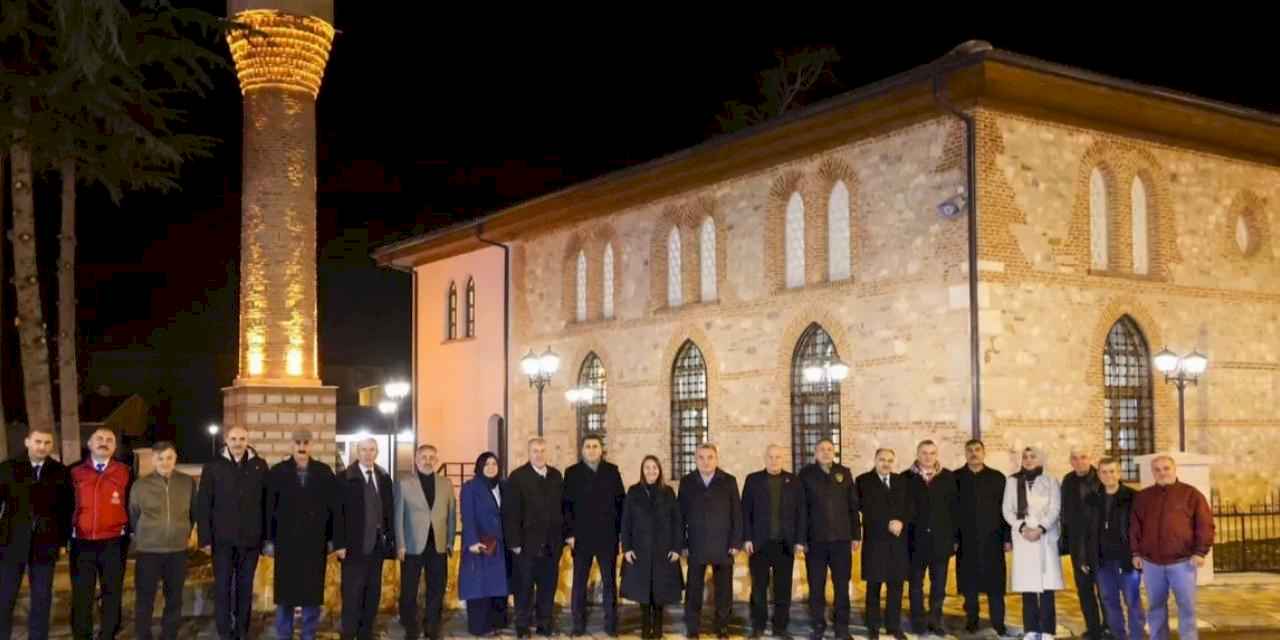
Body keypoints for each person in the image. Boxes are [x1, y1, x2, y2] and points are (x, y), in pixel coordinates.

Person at [196, 425, 270, 640]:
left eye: (242, 438)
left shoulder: (259, 465)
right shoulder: (213, 466)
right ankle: (224, 632)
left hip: (251, 541)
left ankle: (242, 631)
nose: (238, 443)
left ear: (248, 440)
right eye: (234, 438)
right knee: (222, 588)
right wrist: (205, 538)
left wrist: (266, 538)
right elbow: (204, 504)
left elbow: (266, 504)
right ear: (226, 440)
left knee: (245, 589)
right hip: (222, 541)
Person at [1130, 454, 1214, 640]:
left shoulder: (1191, 494)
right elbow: (1135, 526)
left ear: (1175, 469)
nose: (1162, 473)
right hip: (1152, 563)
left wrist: (1200, 551)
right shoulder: (1144, 497)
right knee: (1155, 607)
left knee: (1186, 607)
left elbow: (1205, 524)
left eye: (1166, 468)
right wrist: (1136, 552)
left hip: (1183, 563)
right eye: (1157, 469)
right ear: (1153, 472)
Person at [0, 426, 72, 640]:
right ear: (27, 442)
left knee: (42, 597)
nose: (42, 447)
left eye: (47, 443)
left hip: (45, 544)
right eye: (38, 441)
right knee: (5, 596)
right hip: (10, 543)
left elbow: (66, 510)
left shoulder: (60, 471)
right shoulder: (7, 468)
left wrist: (62, 541)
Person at [266, 430, 337, 640]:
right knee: (285, 597)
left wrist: (332, 538)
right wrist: (269, 540)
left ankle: (308, 635)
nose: (301, 446)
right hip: (286, 543)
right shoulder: (277, 472)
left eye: (305, 442)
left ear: (311, 445)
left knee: (311, 596)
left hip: (315, 543)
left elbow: (333, 508)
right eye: (297, 442)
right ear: (291, 445)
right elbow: (269, 507)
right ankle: (284, 635)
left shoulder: (324, 472)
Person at [70, 427, 132, 640]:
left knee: (112, 592)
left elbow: (132, 505)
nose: (104, 442)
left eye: (109, 440)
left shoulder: (126, 472)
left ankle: (108, 633)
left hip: (114, 543)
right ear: (89, 444)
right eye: (99, 438)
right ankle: (82, 634)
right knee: (81, 594)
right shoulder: (74, 472)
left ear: (115, 447)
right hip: (82, 543)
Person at [130, 442, 196, 640]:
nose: (165, 462)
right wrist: (146, 534)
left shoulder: (187, 482)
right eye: (160, 458)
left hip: (177, 550)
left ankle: (169, 635)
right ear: (153, 460)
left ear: (175, 458)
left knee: (174, 598)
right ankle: (143, 635)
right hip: (149, 551)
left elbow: (193, 513)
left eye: (169, 457)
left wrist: (183, 532)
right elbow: (134, 514)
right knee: (145, 599)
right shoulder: (140, 484)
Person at [562, 435, 626, 636]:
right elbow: (566, 507)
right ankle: (578, 626)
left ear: (601, 450)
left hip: (607, 537)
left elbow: (621, 503)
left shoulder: (612, 471)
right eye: (587, 446)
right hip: (581, 538)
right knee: (579, 584)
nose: (591, 450)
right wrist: (569, 533)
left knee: (609, 583)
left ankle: (611, 625)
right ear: (582, 450)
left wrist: (621, 534)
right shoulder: (571, 473)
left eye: (595, 446)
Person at [678, 443, 742, 639]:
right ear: (696, 459)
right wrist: (682, 544)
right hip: (696, 545)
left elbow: (737, 515)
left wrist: (735, 542)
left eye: (710, 457)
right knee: (693, 592)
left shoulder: (729, 481)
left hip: (723, 545)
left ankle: (722, 628)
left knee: (724, 592)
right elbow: (680, 516)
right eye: (701, 457)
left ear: (717, 458)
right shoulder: (687, 482)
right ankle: (693, 629)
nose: (706, 461)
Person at [334, 437, 395, 640]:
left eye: (372, 450)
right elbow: (337, 513)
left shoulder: (384, 477)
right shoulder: (344, 478)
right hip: (353, 546)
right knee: (352, 594)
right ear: (357, 452)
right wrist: (339, 543)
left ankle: (365, 633)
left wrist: (390, 539)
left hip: (377, 546)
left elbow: (389, 511)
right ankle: (349, 633)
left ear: (376, 452)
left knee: (372, 593)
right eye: (364, 450)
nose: (368, 454)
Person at [742, 444, 805, 639]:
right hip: (759, 545)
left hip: (785, 544)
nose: (774, 460)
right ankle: (758, 626)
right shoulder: (753, 480)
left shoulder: (793, 481)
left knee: (783, 590)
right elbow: (745, 512)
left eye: (778, 457)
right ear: (764, 458)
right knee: (759, 589)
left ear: (783, 458)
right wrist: (746, 538)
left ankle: (780, 628)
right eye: (770, 456)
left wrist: (799, 541)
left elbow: (801, 513)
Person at [504, 437, 565, 638]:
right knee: (524, 589)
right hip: (526, 546)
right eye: (535, 451)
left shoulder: (556, 476)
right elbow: (511, 512)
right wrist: (514, 543)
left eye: (542, 451)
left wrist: (562, 538)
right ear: (529, 453)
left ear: (547, 453)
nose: (539, 454)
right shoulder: (517, 477)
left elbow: (562, 510)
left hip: (551, 545)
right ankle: (522, 626)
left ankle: (544, 624)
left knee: (548, 588)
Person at [797, 439, 858, 640]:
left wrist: (856, 536)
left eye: (829, 449)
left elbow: (853, 507)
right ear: (815, 453)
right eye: (821, 449)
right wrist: (802, 539)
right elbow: (801, 509)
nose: (826, 452)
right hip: (815, 541)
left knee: (842, 585)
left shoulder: (845, 473)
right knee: (816, 586)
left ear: (834, 452)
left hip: (841, 540)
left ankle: (842, 627)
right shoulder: (806, 474)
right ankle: (818, 625)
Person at [395, 444, 456, 640]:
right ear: (416, 459)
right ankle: (411, 627)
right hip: (412, 545)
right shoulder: (404, 483)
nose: (428, 460)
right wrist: (400, 544)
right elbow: (398, 516)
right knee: (409, 590)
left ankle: (432, 627)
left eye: (431, 457)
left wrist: (450, 540)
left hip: (437, 545)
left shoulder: (446, 483)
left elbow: (452, 514)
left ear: (436, 460)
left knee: (437, 589)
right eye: (424, 457)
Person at [1003, 446, 1064, 640]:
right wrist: (1022, 528)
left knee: (1046, 587)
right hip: (1023, 539)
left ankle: (1047, 630)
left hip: (1044, 538)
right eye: (1025, 457)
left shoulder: (1050, 480)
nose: (1028, 460)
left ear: (1040, 459)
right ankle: (1030, 628)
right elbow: (1007, 509)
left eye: (1032, 457)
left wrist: (1041, 528)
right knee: (1027, 586)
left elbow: (1055, 508)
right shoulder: (1012, 481)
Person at [620, 455, 684, 639]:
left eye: (654, 467)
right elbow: (626, 522)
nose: (651, 471)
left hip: (663, 551)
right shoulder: (633, 492)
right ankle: (645, 630)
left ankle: (658, 631)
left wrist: (676, 548)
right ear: (642, 470)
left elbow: (677, 522)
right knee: (643, 595)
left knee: (660, 595)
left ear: (659, 470)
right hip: (640, 551)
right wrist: (627, 548)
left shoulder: (668, 492)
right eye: (647, 468)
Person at [1081, 457, 1145, 640]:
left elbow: (1140, 528)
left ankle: (1137, 636)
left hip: (1127, 559)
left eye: (1112, 471)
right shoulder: (1092, 499)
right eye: (1103, 472)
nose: (1108, 475)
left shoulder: (1132, 497)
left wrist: (1137, 553)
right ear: (1098, 474)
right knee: (1109, 602)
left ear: (1119, 473)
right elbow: (1087, 532)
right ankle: (1119, 636)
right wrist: (1086, 557)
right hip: (1101, 561)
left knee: (1132, 601)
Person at [954, 439, 1012, 637]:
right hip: (966, 540)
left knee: (995, 586)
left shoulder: (997, 478)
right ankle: (972, 621)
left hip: (993, 540)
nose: (973, 453)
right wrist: (953, 538)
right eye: (969, 450)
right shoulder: (956, 477)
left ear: (984, 453)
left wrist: (1007, 537)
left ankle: (999, 622)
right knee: (969, 585)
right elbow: (951, 511)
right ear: (965, 453)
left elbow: (1006, 510)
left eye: (977, 450)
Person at [855, 448, 912, 640]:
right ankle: (873, 627)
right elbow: (865, 509)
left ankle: (893, 626)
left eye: (889, 460)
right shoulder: (863, 481)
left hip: (897, 542)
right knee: (874, 588)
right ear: (875, 460)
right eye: (882, 460)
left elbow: (908, 506)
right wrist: (888, 522)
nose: (886, 463)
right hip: (876, 541)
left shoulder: (901, 481)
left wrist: (901, 521)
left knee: (896, 587)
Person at [904, 440, 959, 636]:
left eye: (932, 453)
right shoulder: (906, 478)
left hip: (940, 542)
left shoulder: (948, 477)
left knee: (938, 586)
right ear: (917, 454)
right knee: (916, 585)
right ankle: (918, 621)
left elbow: (955, 510)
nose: (928, 457)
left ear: (937, 455)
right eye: (924, 453)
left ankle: (935, 620)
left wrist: (955, 538)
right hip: (915, 542)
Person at [459, 452, 509, 636]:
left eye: (494, 463)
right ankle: (479, 627)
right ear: (479, 466)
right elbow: (467, 516)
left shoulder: (503, 485)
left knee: (496, 585)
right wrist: (472, 541)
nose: (491, 467)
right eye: (486, 463)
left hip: (499, 544)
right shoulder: (471, 487)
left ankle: (496, 623)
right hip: (480, 544)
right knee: (479, 586)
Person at [1062, 447, 1104, 640]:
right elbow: (1066, 513)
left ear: (1091, 459)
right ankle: (1093, 628)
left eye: (1083, 457)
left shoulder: (1101, 479)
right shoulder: (1068, 481)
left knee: (1104, 589)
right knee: (1084, 589)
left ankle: (1110, 627)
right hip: (1077, 544)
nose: (1079, 462)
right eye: (1075, 458)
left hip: (1099, 544)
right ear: (1071, 461)